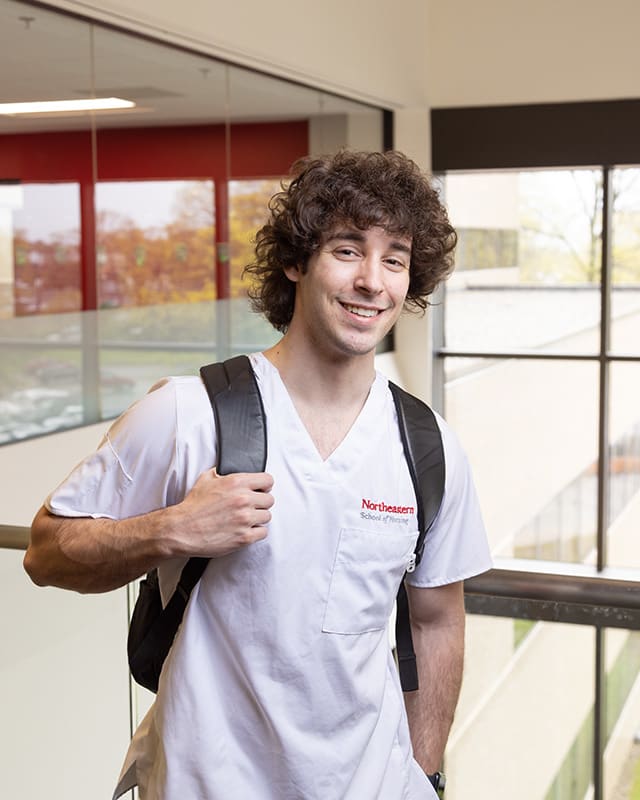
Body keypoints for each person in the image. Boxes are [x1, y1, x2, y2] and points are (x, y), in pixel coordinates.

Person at [24, 149, 491, 799]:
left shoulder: (427, 445)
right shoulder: (188, 414)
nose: (372, 282)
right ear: (296, 261)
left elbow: (436, 619)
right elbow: (47, 552)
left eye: (394, 258)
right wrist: (170, 529)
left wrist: (424, 771)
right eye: (348, 250)